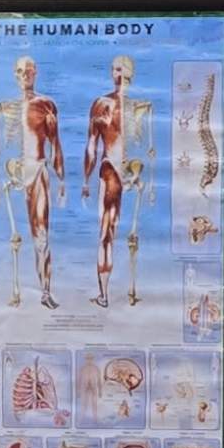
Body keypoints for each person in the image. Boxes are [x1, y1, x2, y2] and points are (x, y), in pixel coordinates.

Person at [79, 56, 137, 307]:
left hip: (133, 174)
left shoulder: (139, 107)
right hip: (110, 171)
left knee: (127, 233)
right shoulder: (101, 104)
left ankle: (122, 293)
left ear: (130, 72)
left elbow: (148, 147)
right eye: (114, 68)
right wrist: (85, 179)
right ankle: (104, 293)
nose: (118, 73)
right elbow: (92, 145)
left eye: (122, 68)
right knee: (106, 231)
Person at [8, 56, 64, 307]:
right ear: (14, 74)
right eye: (20, 72)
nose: (24, 76)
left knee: (41, 233)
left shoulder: (45, 104)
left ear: (36, 72)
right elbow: (0, 148)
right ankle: (16, 292)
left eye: (28, 71)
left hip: (39, 170)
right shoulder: (5, 107)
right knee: (16, 235)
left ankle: (44, 292)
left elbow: (56, 144)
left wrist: (61, 181)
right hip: (15, 174)